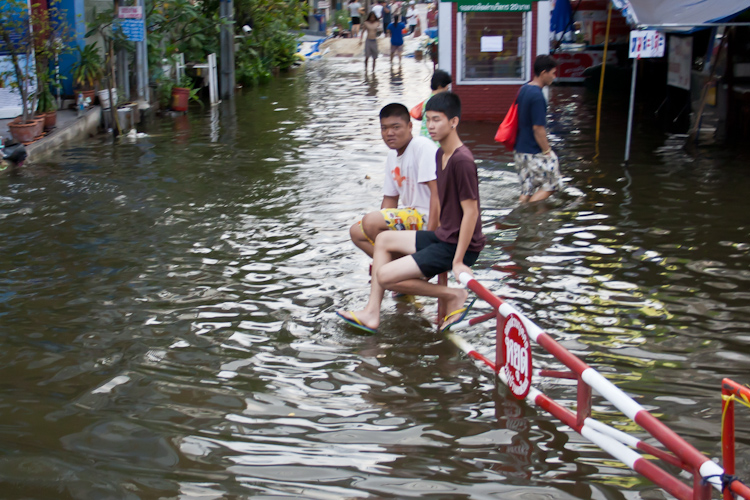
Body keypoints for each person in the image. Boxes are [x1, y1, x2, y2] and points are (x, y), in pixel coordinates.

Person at [337, 92, 485, 334]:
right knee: (383, 239)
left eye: (437, 120)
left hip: (458, 245)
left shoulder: (462, 161)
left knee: (384, 275)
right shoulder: (442, 155)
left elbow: (471, 213)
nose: (431, 126)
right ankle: (372, 312)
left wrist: (458, 261)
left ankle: (454, 294)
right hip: (443, 236)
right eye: (428, 120)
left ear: (454, 122)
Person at [349, 103, 439, 258]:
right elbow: (390, 199)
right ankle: (399, 266)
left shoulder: (421, 146)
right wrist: (376, 226)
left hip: (429, 217)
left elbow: (439, 193)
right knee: (357, 231)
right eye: (384, 128)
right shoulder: (392, 155)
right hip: (410, 216)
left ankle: (406, 266)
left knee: (370, 222)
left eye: (396, 127)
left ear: (410, 126)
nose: (389, 133)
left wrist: (431, 237)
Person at [513, 54, 562, 203]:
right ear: (543, 73)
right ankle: (529, 214)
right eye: (552, 73)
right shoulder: (538, 97)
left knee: (527, 190)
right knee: (552, 185)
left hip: (520, 150)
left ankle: (522, 214)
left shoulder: (524, 89)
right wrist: (547, 152)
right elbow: (538, 128)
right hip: (533, 151)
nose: (554, 77)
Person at [412, 69, 451, 143]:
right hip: (434, 143)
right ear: (440, 86)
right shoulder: (439, 102)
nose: (447, 89)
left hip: (424, 140)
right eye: (446, 87)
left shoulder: (427, 101)